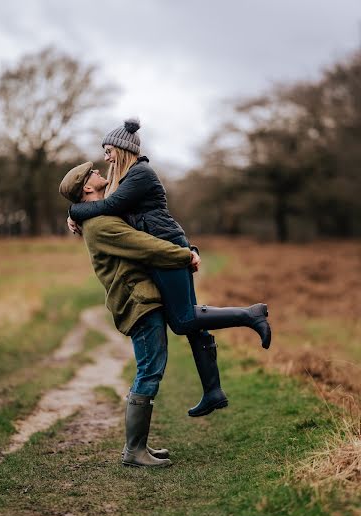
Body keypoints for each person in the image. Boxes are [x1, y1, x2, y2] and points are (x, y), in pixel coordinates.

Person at [65, 119, 272, 418]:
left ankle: (250, 315)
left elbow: (107, 208)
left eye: (109, 150)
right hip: (162, 248)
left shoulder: (140, 174)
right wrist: (74, 212)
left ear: (122, 149)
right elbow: (100, 204)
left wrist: (73, 210)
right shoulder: (122, 179)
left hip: (166, 248)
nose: (106, 157)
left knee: (185, 319)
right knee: (190, 320)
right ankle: (213, 391)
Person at [59, 163, 203, 468]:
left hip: (142, 298)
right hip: (138, 301)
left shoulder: (98, 217)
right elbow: (146, 246)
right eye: (94, 173)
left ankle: (138, 447)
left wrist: (73, 215)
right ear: (87, 187)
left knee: (151, 366)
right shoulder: (101, 225)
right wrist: (185, 254)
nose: (100, 172)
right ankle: (134, 450)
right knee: (150, 368)